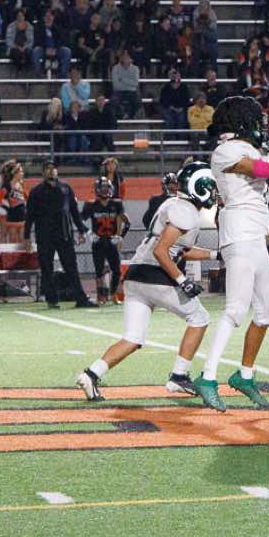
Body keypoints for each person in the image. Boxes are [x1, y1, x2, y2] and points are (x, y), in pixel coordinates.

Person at [197, 95, 269, 409]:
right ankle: (207, 377)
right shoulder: (226, 150)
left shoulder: (252, 148)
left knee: (266, 313)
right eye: (255, 119)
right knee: (235, 310)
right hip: (238, 233)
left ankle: (245, 375)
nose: (260, 124)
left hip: (257, 237)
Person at [76, 160, 220, 403]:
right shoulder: (186, 211)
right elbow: (161, 251)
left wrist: (216, 255)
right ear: (199, 186)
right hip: (155, 274)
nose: (214, 192)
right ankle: (179, 375)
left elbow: (179, 250)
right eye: (211, 186)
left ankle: (91, 374)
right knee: (200, 318)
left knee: (132, 338)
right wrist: (182, 280)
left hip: (136, 275)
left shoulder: (174, 204)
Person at [26, 165, 91, 308]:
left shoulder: (66, 189)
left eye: (53, 168)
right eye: (47, 169)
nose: (51, 171)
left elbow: (74, 212)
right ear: (43, 172)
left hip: (64, 235)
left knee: (71, 267)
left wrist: (81, 230)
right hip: (45, 236)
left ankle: (81, 298)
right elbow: (30, 216)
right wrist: (27, 237)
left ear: (57, 171)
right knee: (46, 269)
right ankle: (52, 299)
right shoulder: (36, 192)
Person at [82, 176, 128, 305]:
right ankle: (100, 296)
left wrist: (120, 236)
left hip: (111, 240)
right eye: (102, 188)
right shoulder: (91, 204)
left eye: (107, 187)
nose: (104, 190)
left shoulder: (116, 204)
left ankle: (113, 295)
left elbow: (127, 222)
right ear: (97, 189)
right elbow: (79, 220)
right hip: (98, 241)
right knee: (99, 270)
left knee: (117, 270)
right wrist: (89, 233)